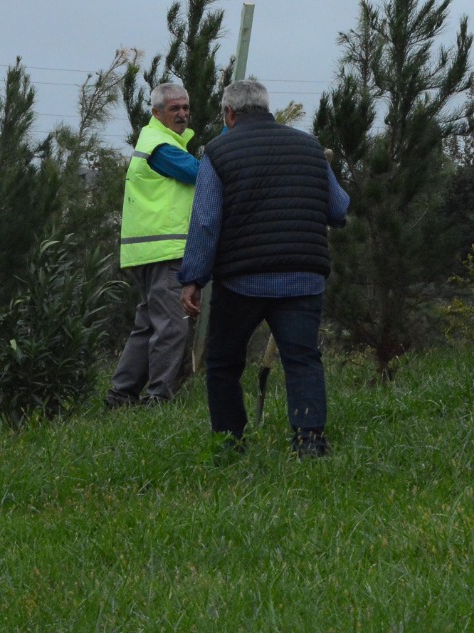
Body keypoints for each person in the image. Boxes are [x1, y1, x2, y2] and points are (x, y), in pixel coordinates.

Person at [177, 79, 349, 457]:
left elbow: (205, 222)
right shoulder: (310, 147)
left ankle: (229, 444)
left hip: (242, 281)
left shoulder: (218, 153)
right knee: (303, 360)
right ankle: (309, 442)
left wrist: (193, 279)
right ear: (267, 108)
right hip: (303, 276)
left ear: (229, 114)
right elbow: (338, 208)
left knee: (224, 363)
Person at [106, 82, 197, 408]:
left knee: (147, 326)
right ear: (156, 113)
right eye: (175, 109)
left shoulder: (155, 141)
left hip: (147, 251)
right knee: (171, 327)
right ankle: (158, 398)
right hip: (164, 251)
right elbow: (201, 174)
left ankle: (121, 395)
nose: (182, 114)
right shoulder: (162, 147)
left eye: (185, 108)